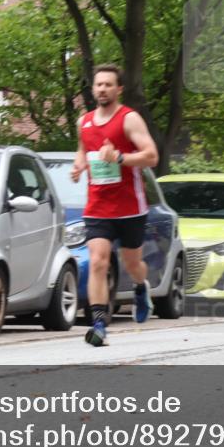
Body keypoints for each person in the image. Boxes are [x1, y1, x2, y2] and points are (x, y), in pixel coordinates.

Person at [71, 64, 159, 347]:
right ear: (93, 89)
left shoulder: (129, 119)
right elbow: (84, 151)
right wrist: (79, 165)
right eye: (98, 85)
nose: (102, 89)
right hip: (97, 206)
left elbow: (151, 156)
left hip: (130, 206)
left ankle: (139, 287)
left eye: (108, 85)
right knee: (98, 261)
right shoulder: (83, 122)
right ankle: (98, 323)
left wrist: (120, 158)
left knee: (133, 263)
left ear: (118, 89)